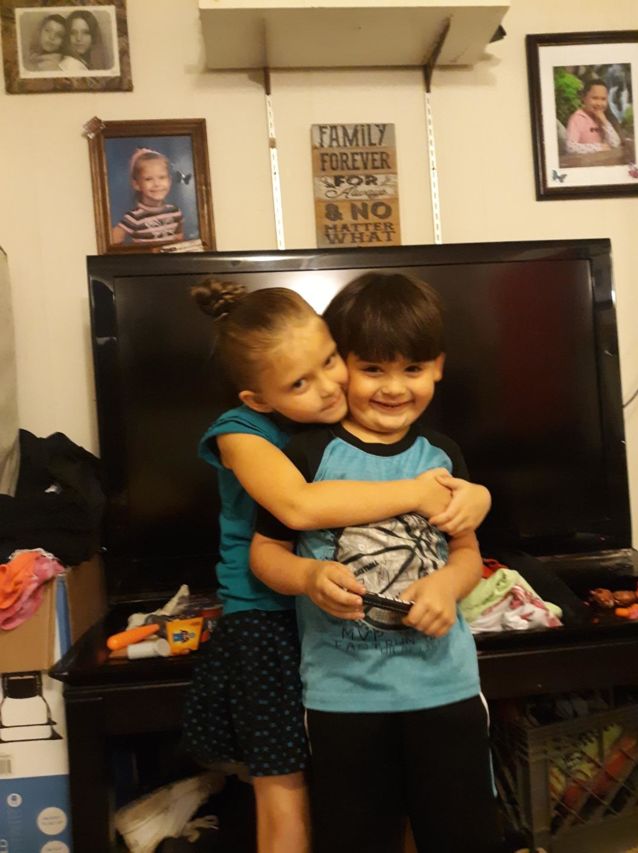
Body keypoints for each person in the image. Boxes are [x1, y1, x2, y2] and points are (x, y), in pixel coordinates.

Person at [182, 279, 492, 853]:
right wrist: (308, 576)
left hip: (443, 684)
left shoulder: (440, 453)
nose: (329, 387)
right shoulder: (289, 449)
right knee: (323, 815)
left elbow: (466, 552)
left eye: (328, 364)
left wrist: (450, 578)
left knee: (460, 829)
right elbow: (287, 522)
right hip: (325, 677)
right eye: (371, 368)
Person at [111, 149, 185, 247]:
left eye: (162, 177)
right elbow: (112, 242)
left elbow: (180, 243)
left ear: (169, 181)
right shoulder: (133, 218)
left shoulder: (175, 212)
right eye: (148, 179)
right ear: (136, 184)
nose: (157, 184)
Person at [565, 78, 623, 155]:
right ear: (584, 98)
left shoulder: (602, 118)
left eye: (603, 99)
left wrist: (605, 122)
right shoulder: (577, 118)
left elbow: (615, 144)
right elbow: (570, 147)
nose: (599, 103)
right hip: (584, 161)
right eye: (595, 98)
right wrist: (599, 147)